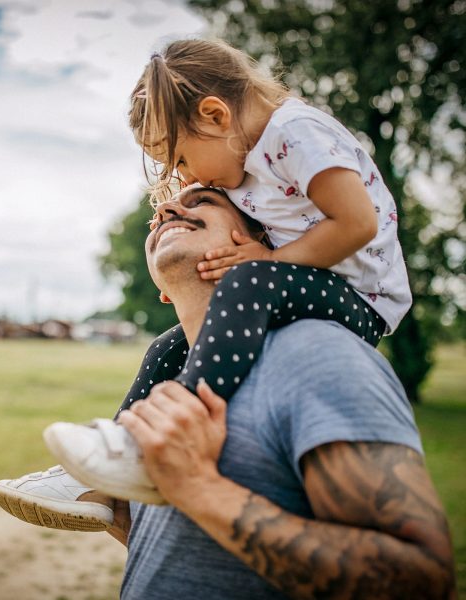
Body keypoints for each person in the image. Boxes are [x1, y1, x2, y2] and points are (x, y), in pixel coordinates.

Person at [40, 38, 413, 502]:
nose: (188, 178)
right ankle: (114, 460)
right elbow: (214, 213)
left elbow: (357, 224)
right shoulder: (243, 160)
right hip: (307, 284)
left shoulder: (295, 133)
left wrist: (271, 262)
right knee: (166, 346)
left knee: (249, 278)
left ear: (216, 116)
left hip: (360, 298)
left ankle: (178, 429)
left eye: (180, 159)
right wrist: (172, 216)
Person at [64, 185, 455, 599]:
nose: (166, 208)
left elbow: (422, 581)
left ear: (261, 243)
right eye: (156, 218)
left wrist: (199, 488)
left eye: (203, 202)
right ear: (161, 288)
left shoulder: (318, 355)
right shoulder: (166, 377)